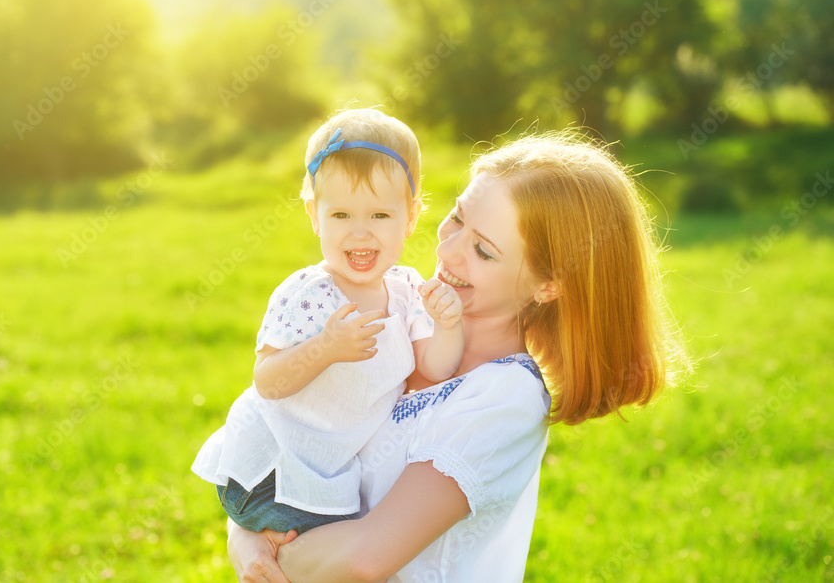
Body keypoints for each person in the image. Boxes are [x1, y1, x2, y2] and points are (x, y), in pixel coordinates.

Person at [226, 129, 687, 582]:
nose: (446, 249)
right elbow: (281, 435)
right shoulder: (397, 329)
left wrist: (260, 550)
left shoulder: (506, 397)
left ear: (549, 286)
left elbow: (364, 559)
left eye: (483, 251)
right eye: (457, 218)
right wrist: (242, 528)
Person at [192, 108, 466, 536]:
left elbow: (433, 367)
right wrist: (325, 348)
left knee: (357, 547)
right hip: (272, 472)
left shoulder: (407, 290)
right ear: (313, 214)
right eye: (341, 216)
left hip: (324, 473)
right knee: (350, 553)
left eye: (379, 216)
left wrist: (448, 325)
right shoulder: (308, 294)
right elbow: (268, 382)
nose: (360, 233)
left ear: (410, 217)